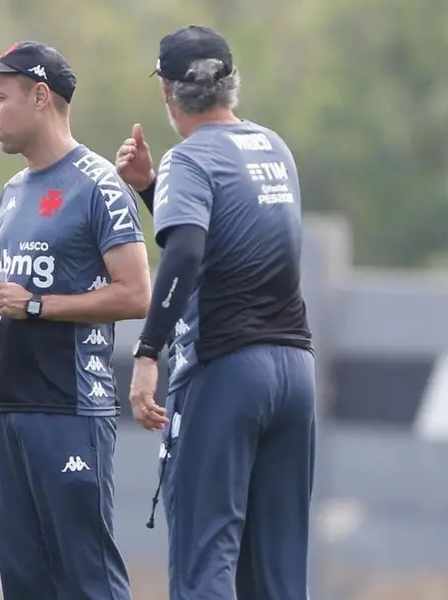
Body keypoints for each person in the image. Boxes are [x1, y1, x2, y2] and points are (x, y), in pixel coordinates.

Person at [0, 41, 151, 600]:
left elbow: (136, 294)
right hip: (8, 405)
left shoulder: (99, 183)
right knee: (25, 586)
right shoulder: (12, 191)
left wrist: (34, 305)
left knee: (87, 581)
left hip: (70, 407)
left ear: (41, 96)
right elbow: (24, 292)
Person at [116, 25, 317, 600]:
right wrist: (152, 189)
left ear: (168, 94)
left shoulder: (191, 157)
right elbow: (222, 234)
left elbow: (185, 251)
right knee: (277, 574)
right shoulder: (274, 147)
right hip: (293, 372)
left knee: (206, 564)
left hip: (228, 371)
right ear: (231, 85)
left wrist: (147, 353)